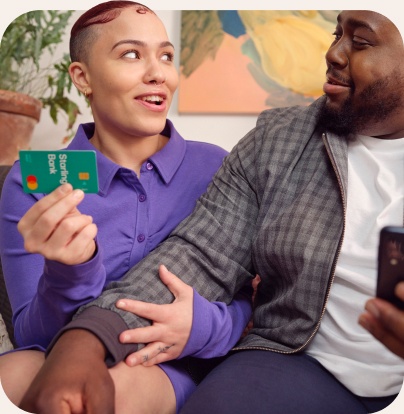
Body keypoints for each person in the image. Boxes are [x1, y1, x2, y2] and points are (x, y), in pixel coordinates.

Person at [18, 8, 404, 414]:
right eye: (336, 33)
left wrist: (205, 326)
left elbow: (239, 304)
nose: (334, 53)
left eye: (360, 42)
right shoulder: (278, 141)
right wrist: (85, 338)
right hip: (292, 363)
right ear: (81, 76)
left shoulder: (207, 162)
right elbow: (202, 255)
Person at [0, 2, 253, 413]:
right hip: (60, 352)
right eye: (131, 54)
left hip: (176, 366)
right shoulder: (39, 180)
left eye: (167, 56)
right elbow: (32, 336)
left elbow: (254, 301)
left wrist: (200, 327)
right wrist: (69, 271)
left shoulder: (218, 167)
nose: (158, 73)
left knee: (108, 392)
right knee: (10, 377)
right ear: (83, 78)